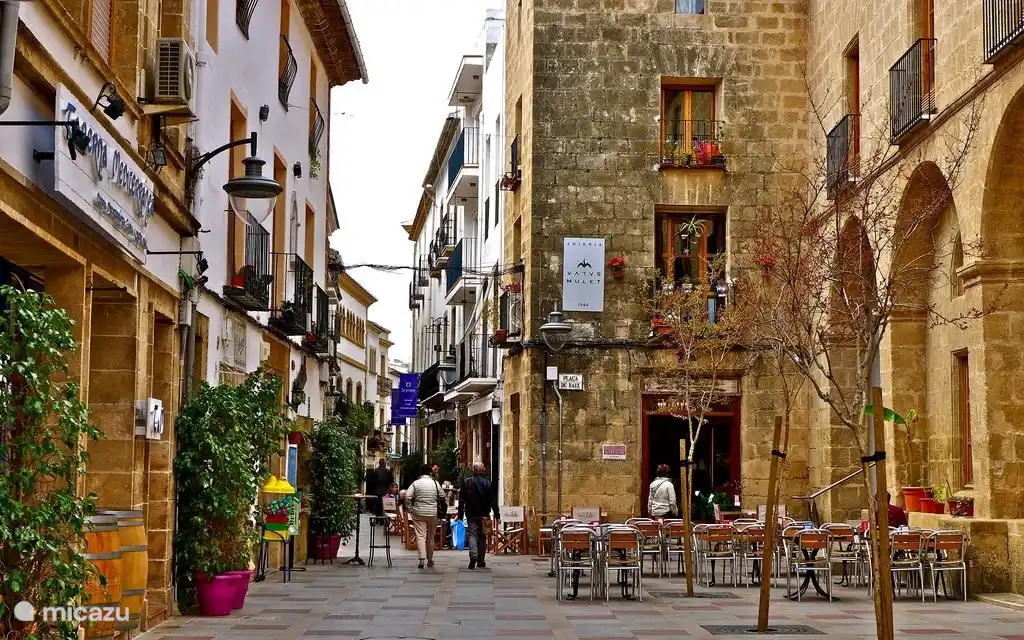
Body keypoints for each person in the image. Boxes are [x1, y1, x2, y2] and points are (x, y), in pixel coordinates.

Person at [458, 461, 500, 569]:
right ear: (483, 470)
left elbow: (462, 500)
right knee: (482, 536)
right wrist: (497, 514)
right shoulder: (488, 483)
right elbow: (493, 500)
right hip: (484, 513)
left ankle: (473, 556)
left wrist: (460, 515)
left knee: (472, 534)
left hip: (471, 513)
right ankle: (481, 560)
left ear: (474, 470)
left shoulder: (467, 482)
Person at [406, 463, 444, 569]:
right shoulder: (435, 483)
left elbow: (407, 496)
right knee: (431, 537)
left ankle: (422, 560)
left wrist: (410, 509)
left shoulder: (416, 483)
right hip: (433, 513)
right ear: (430, 472)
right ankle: (430, 559)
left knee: (420, 536)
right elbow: (442, 495)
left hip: (418, 513)